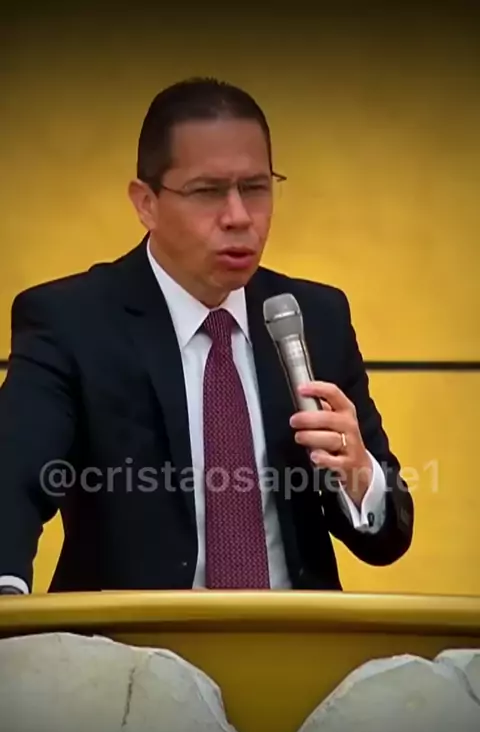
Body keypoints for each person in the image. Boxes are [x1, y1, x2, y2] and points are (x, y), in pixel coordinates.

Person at [0, 77, 413, 595]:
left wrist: (359, 475)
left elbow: (387, 539)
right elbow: (13, 478)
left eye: (255, 188)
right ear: (146, 203)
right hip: (128, 639)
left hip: (295, 633)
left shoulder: (314, 317)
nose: (238, 217)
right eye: (207, 192)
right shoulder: (72, 321)